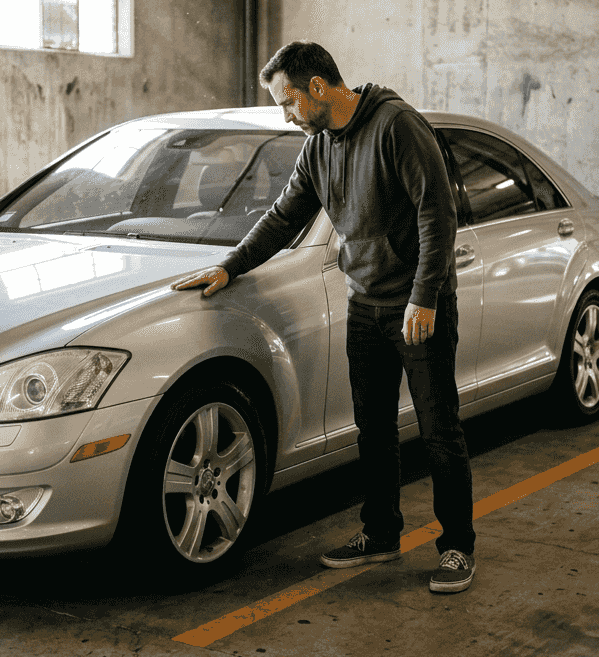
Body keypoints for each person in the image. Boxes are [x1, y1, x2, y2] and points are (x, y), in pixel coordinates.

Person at [170, 40, 476, 593]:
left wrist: (425, 296)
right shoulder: (318, 147)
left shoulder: (396, 126)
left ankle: (457, 546)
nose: (287, 115)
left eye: (288, 101)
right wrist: (230, 267)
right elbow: (284, 216)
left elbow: (437, 214)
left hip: (415, 306)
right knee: (374, 429)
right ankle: (380, 534)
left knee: (439, 429)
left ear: (317, 87)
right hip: (365, 305)